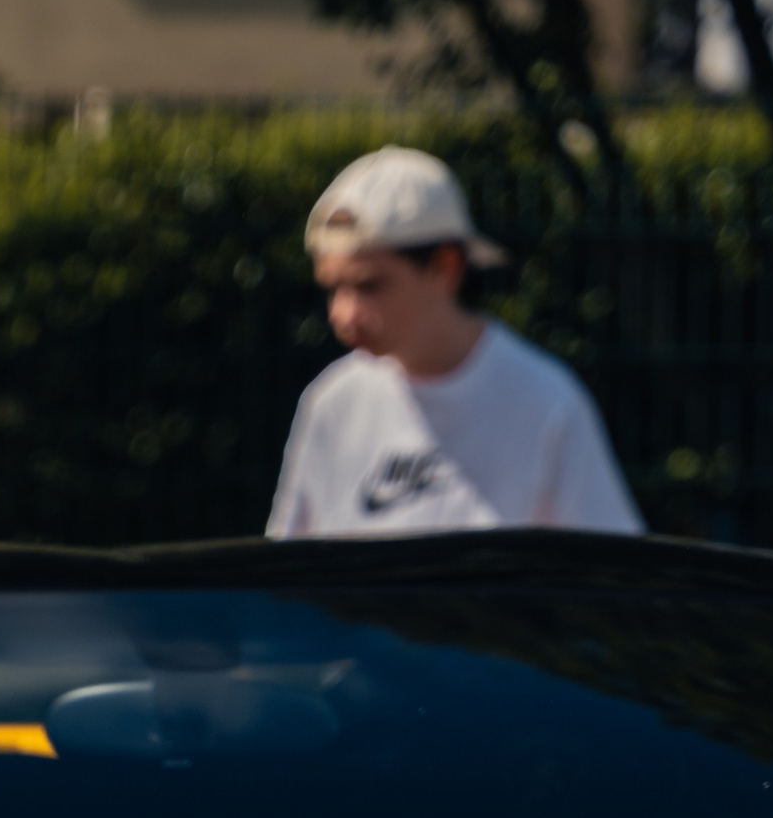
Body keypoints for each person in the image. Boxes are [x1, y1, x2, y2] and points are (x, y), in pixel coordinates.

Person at [269, 147, 642, 542]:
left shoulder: (548, 401)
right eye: (333, 288)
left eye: (368, 286)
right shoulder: (330, 404)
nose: (343, 314)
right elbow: (285, 581)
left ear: (446, 268)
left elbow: (613, 579)